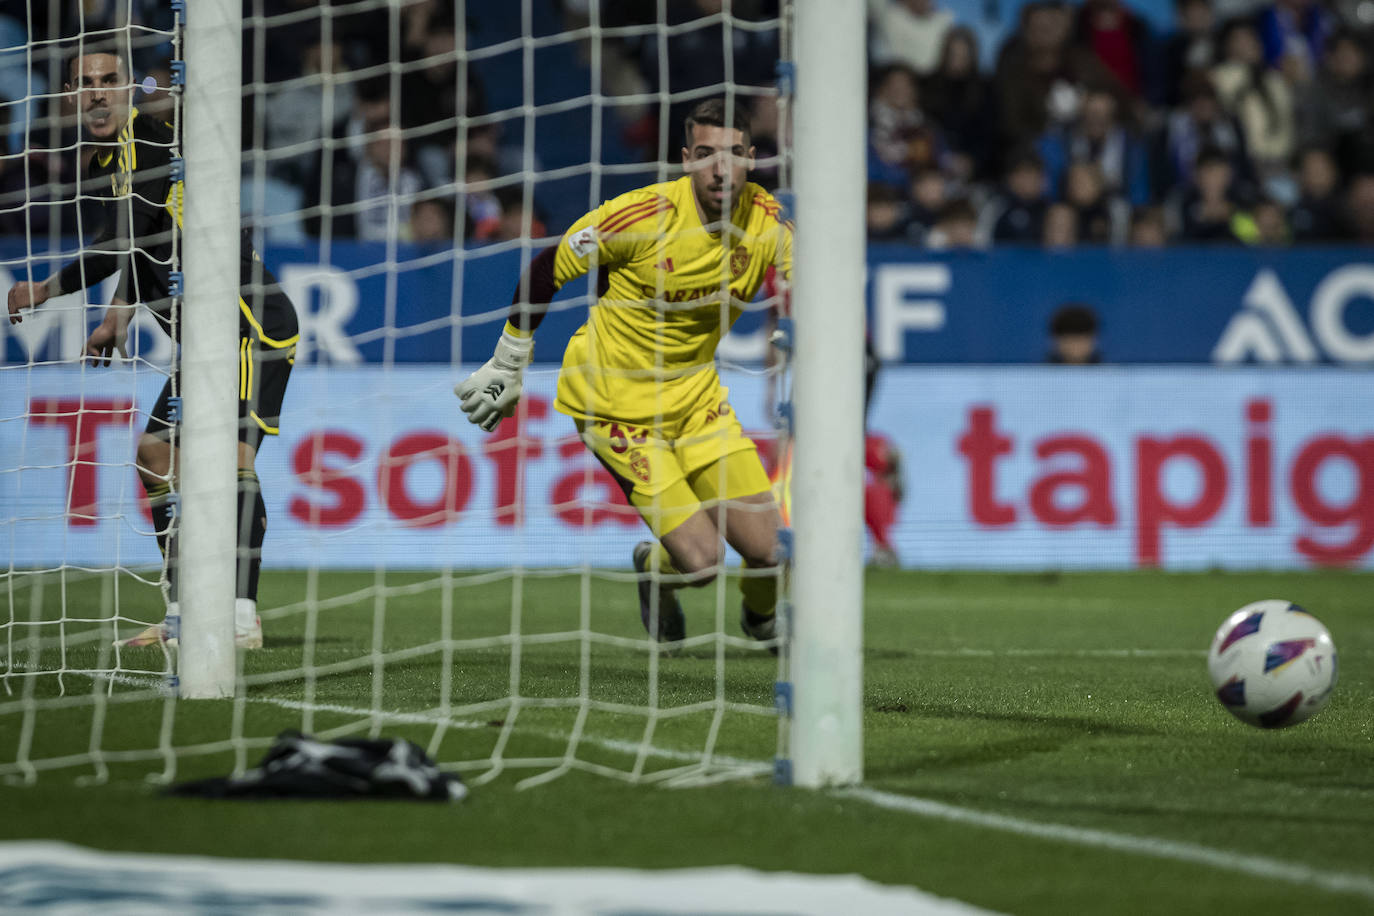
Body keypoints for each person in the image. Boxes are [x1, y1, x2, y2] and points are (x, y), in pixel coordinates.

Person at [455, 98, 789, 648]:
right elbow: (548, 264)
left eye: (733, 154)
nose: (720, 169)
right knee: (704, 563)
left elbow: (811, 280)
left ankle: (761, 622)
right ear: (686, 159)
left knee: (770, 551)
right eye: (705, 154)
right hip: (613, 403)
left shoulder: (769, 223)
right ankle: (653, 569)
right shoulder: (641, 215)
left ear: (752, 159)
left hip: (696, 397)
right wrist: (510, 358)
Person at [7, 43, 299, 649]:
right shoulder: (106, 158)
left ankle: (240, 615)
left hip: (249, 325)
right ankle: (184, 610)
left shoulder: (153, 132)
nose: (97, 91)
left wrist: (47, 289)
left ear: (127, 87)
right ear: (68, 96)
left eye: (109, 78)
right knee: (153, 453)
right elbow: (144, 246)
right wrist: (115, 320)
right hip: (203, 340)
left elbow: (123, 239)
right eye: (84, 82)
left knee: (233, 463)